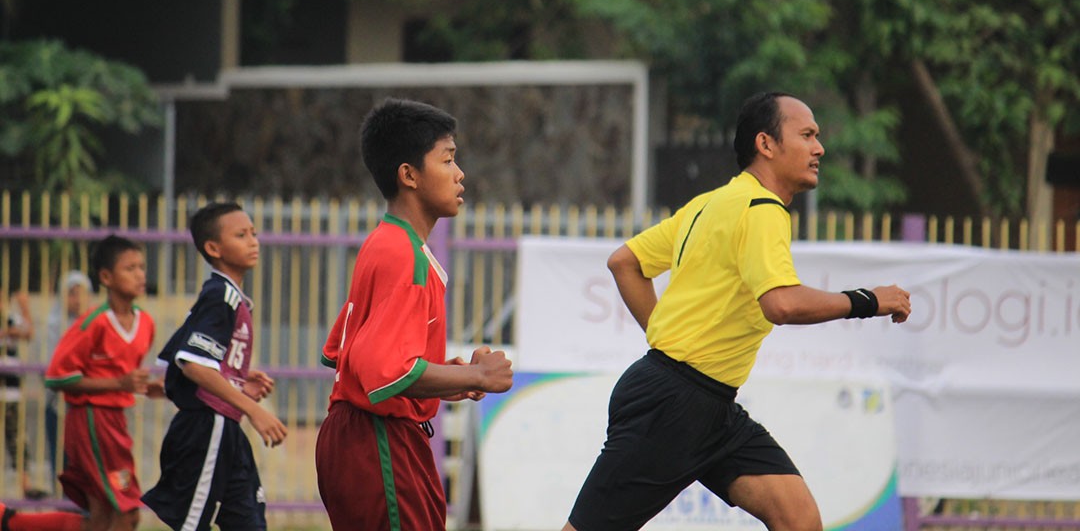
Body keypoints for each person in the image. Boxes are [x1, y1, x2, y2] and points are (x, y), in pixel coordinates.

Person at [562, 91, 913, 531]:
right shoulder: (761, 209)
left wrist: (670, 345)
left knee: (798, 517)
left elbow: (624, 262)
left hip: (709, 408)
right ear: (766, 144)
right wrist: (868, 300)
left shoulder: (711, 203)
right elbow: (781, 303)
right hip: (673, 406)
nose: (819, 148)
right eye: (806, 135)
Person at [315, 98, 514, 531]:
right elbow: (382, 372)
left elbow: (343, 355)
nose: (460, 174)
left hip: (364, 438)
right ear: (409, 175)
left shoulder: (386, 242)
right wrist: (477, 377)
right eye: (448, 159)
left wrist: (448, 377)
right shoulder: (405, 256)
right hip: (378, 440)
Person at [142, 202, 286, 531]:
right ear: (213, 248)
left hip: (226, 432)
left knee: (249, 521)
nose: (253, 241)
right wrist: (255, 409)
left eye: (254, 233)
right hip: (207, 431)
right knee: (194, 524)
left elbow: (193, 359)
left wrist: (237, 378)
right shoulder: (220, 297)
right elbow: (192, 364)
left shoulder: (228, 297)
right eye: (241, 235)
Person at [44, 235, 162, 531]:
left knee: (101, 516)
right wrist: (118, 384)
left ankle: (13, 521)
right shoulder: (92, 323)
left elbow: (127, 378)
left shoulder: (145, 323)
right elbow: (58, 377)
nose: (139, 275)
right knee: (127, 512)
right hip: (91, 421)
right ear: (106, 277)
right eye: (130, 268)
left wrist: (147, 387)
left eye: (142, 267)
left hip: (116, 422)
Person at [0, 288, 47, 500]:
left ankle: (25, 485)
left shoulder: (10, 318)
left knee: (17, 439)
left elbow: (28, 332)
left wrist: (25, 307)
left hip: (10, 391)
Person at [45, 270, 92, 482]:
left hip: (88, 404)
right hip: (58, 403)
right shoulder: (53, 325)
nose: (77, 299)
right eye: (72, 293)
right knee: (62, 461)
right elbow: (49, 367)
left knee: (87, 462)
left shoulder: (94, 325)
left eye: (82, 293)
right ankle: (64, 509)